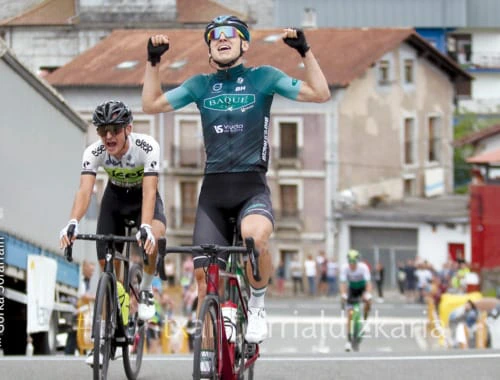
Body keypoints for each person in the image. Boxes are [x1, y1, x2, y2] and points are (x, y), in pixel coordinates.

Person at [142, 15, 330, 345]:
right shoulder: (200, 85)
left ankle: (256, 305)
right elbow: (151, 104)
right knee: (203, 279)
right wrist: (153, 63)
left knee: (254, 239)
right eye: (214, 36)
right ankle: (211, 356)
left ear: (244, 44)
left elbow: (320, 93)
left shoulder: (264, 77)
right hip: (212, 192)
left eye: (231, 33)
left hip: (251, 187)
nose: (222, 38)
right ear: (210, 48)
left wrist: (305, 51)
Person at [58, 100, 167, 364]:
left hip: (142, 198)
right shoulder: (93, 151)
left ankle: (146, 288)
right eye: (102, 130)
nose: (108, 136)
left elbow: (150, 191)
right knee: (107, 269)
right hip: (115, 200)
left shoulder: (147, 146)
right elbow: (85, 190)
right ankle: (105, 338)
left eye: (115, 129)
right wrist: (72, 220)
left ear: (128, 128)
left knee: (157, 235)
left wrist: (145, 227)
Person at [339, 249, 373, 352]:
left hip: (362, 288)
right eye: (350, 263)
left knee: (369, 301)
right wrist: (343, 295)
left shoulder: (363, 267)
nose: (352, 266)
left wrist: (367, 294)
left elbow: (368, 283)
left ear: (357, 262)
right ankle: (349, 340)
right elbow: (343, 284)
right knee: (349, 314)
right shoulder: (344, 268)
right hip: (352, 290)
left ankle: (365, 320)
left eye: (354, 264)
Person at [64, 260, 96, 355]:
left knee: (76, 332)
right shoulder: (80, 280)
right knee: (73, 331)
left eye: (93, 271)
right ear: (85, 268)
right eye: (91, 270)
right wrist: (94, 297)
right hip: (75, 309)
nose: (92, 273)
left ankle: (73, 351)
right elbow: (82, 295)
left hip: (79, 311)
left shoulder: (87, 281)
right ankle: (69, 352)